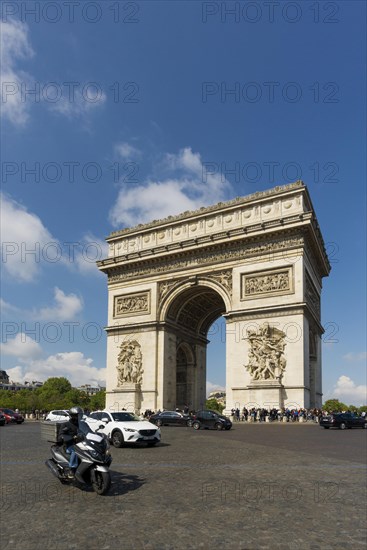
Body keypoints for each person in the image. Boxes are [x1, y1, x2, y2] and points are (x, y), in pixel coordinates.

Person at [58, 406, 84, 478]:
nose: (79, 417)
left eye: (80, 415)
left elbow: (88, 431)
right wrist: (72, 437)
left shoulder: (82, 424)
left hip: (82, 444)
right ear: (72, 415)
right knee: (75, 451)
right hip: (69, 445)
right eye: (77, 415)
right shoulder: (65, 424)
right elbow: (61, 436)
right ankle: (72, 469)